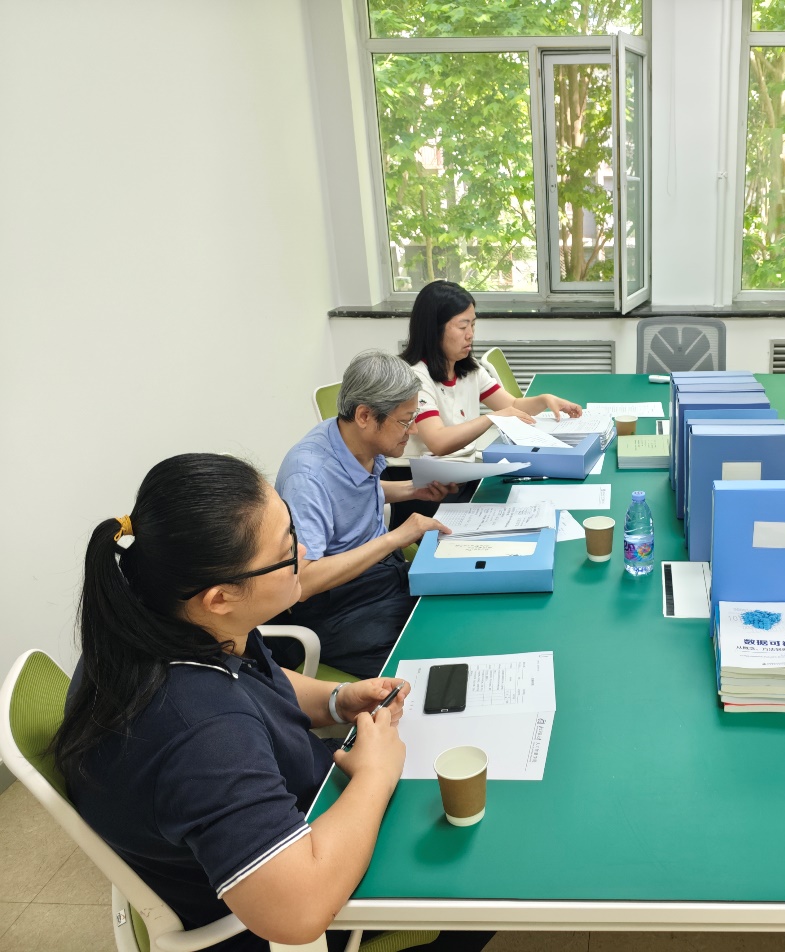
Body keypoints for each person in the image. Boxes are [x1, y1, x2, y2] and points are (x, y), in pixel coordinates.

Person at [53, 453, 491, 952]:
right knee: (477, 880)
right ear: (220, 596)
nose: (303, 552)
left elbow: (258, 679)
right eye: (287, 550)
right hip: (278, 904)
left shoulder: (165, 620)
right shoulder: (200, 734)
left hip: (289, 816)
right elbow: (298, 913)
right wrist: (375, 774)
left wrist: (336, 699)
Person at [274, 351, 457, 679]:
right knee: (428, 666)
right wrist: (395, 538)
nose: (413, 429)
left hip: (383, 575)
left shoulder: (349, 439)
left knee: (459, 610)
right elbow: (303, 581)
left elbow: (347, 497)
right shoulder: (308, 476)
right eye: (405, 421)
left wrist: (412, 491)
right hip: (340, 605)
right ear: (364, 415)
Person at [400, 279, 583, 460]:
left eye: (473, 325)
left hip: (463, 466)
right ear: (434, 330)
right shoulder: (415, 377)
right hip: (428, 473)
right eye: (462, 327)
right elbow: (438, 442)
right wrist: (493, 418)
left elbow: (512, 406)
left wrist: (545, 400)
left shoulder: (468, 369)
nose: (470, 334)